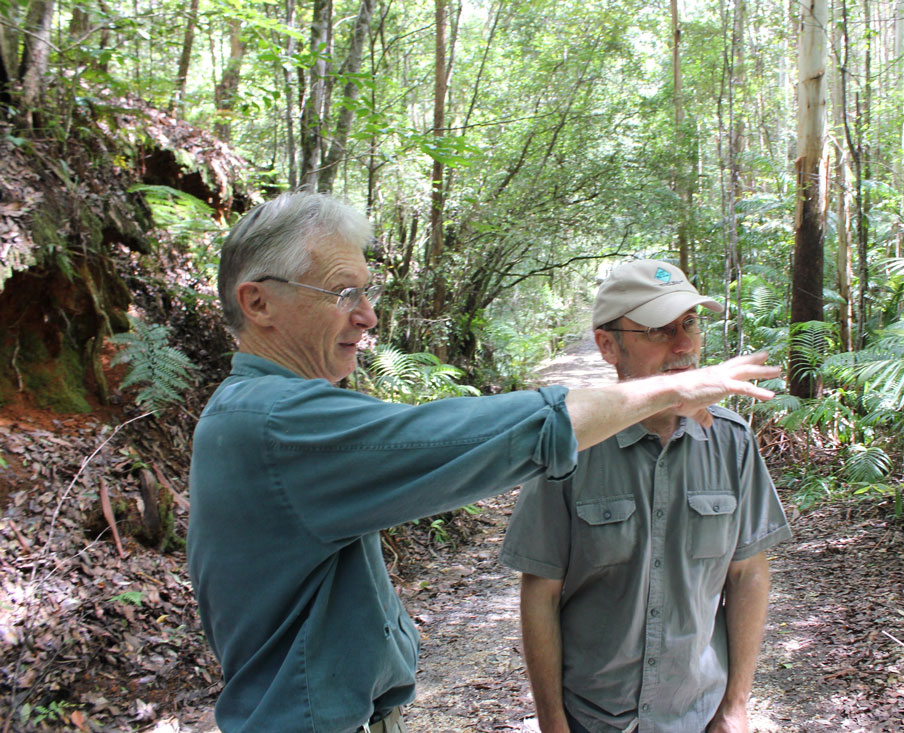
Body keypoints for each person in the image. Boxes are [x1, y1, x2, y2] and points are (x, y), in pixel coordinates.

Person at [186, 194, 781, 733]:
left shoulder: (273, 417)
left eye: (368, 293)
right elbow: (462, 441)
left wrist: (734, 705)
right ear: (257, 302)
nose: (367, 316)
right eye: (345, 293)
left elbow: (748, 571)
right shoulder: (276, 424)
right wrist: (675, 391)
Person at [501, 259, 793, 733]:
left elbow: (748, 574)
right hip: (594, 715)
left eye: (691, 324)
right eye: (659, 329)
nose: (684, 345)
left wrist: (736, 705)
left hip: (698, 712)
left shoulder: (732, 442)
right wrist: (553, 721)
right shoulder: (570, 448)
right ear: (607, 345)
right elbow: (541, 590)